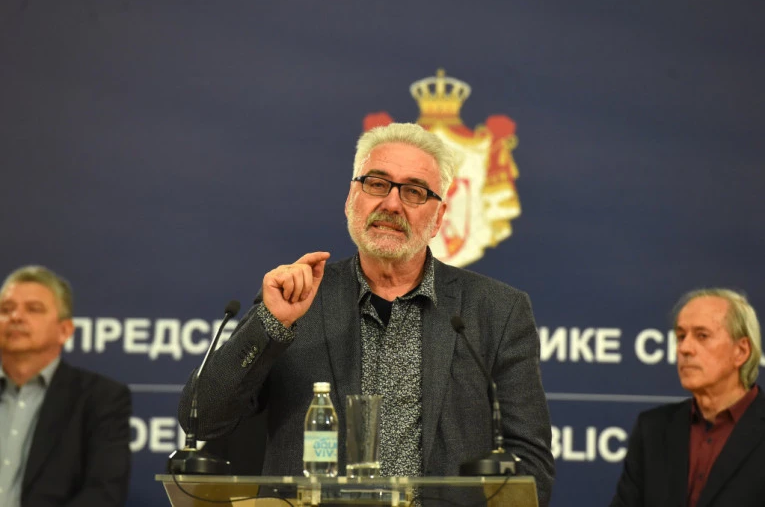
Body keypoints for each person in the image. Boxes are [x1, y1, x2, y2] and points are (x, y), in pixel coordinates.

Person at [179, 122, 555, 505]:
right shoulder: (298, 297)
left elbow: (531, 462)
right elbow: (201, 419)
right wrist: (270, 325)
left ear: (439, 217)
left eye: (414, 192)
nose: (391, 204)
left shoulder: (496, 311)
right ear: (351, 198)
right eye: (377, 184)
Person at [611, 289, 764, 507]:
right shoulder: (653, 429)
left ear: (741, 351)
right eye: (681, 337)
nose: (684, 348)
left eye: (702, 336)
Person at [0, 265, 132, 507]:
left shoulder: (100, 398)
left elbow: (104, 494)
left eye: (33, 309)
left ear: (65, 330)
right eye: (6, 309)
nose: (15, 317)